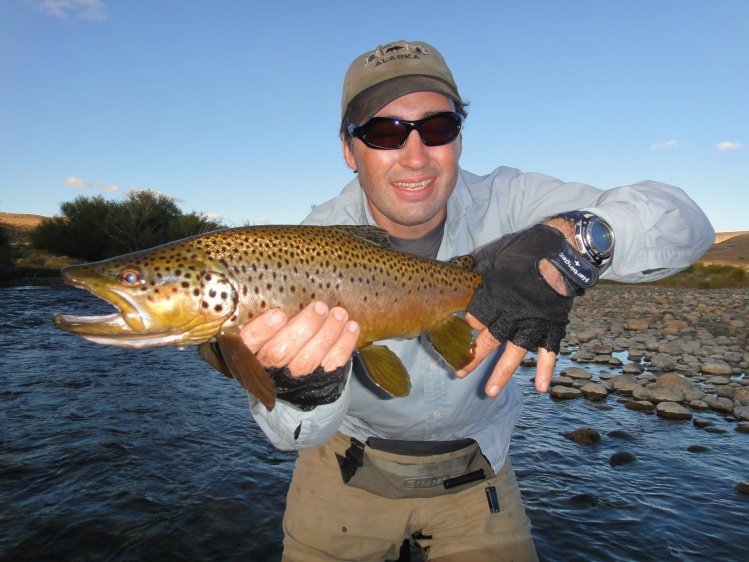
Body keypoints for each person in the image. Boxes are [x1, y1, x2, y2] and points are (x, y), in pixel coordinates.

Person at [235, 40, 714, 561]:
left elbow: (683, 222)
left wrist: (581, 242)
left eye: (438, 128)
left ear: (460, 140)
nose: (415, 156)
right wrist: (304, 391)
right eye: (384, 132)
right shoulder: (301, 249)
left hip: (478, 474)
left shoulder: (511, 203)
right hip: (343, 470)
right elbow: (292, 436)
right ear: (350, 150)